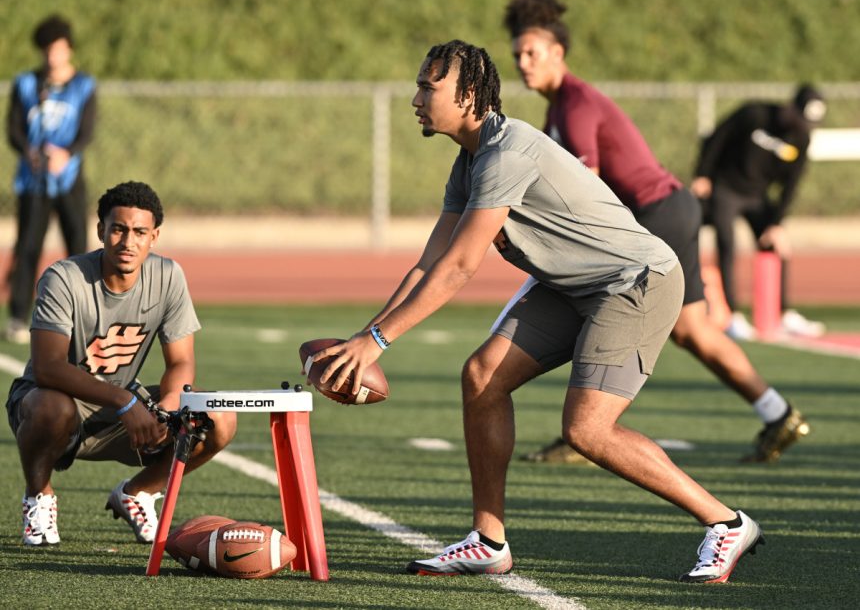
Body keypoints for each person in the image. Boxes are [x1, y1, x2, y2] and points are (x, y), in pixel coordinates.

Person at [309, 40, 763, 583]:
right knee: (482, 377)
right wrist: (365, 337)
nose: (415, 98)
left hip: (634, 283)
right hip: (572, 287)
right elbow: (429, 263)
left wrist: (378, 342)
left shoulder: (506, 153)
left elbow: (458, 268)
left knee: (588, 430)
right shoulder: (470, 159)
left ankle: (726, 522)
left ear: (469, 94)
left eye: (428, 87)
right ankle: (488, 540)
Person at [502, 0, 809, 466]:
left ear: (557, 53)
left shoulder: (576, 105)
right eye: (517, 53)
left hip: (656, 214)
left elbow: (586, 187)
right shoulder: (558, 107)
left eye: (532, 53)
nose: (523, 62)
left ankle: (585, 429)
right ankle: (779, 413)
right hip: (673, 208)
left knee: (597, 303)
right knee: (692, 330)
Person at [6, 181, 237, 547]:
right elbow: (48, 366)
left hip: (118, 408)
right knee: (50, 406)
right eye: (119, 229)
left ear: (154, 235)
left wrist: (167, 406)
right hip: (54, 401)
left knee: (218, 416)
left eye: (140, 232)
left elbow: (180, 361)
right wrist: (126, 402)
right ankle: (39, 495)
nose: (128, 242)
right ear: (100, 230)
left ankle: (139, 493)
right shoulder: (63, 278)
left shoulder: (168, 276)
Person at [691, 84, 828, 341]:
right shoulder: (754, 114)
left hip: (757, 197)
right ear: (790, 107)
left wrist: (775, 224)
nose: (799, 126)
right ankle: (732, 315)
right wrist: (702, 174)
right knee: (727, 244)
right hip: (726, 188)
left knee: (777, 245)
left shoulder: (801, 138)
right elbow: (716, 137)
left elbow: (791, 186)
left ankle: (782, 313)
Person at [4, 14, 96, 344]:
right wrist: (27, 150)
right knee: (27, 247)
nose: (51, 56)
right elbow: (13, 128)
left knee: (78, 249)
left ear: (68, 49)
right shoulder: (26, 85)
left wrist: (66, 154)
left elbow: (87, 131)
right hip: (33, 182)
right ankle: (16, 316)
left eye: (57, 49)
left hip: (69, 180)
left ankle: (83, 315)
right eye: (46, 50)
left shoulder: (84, 86)